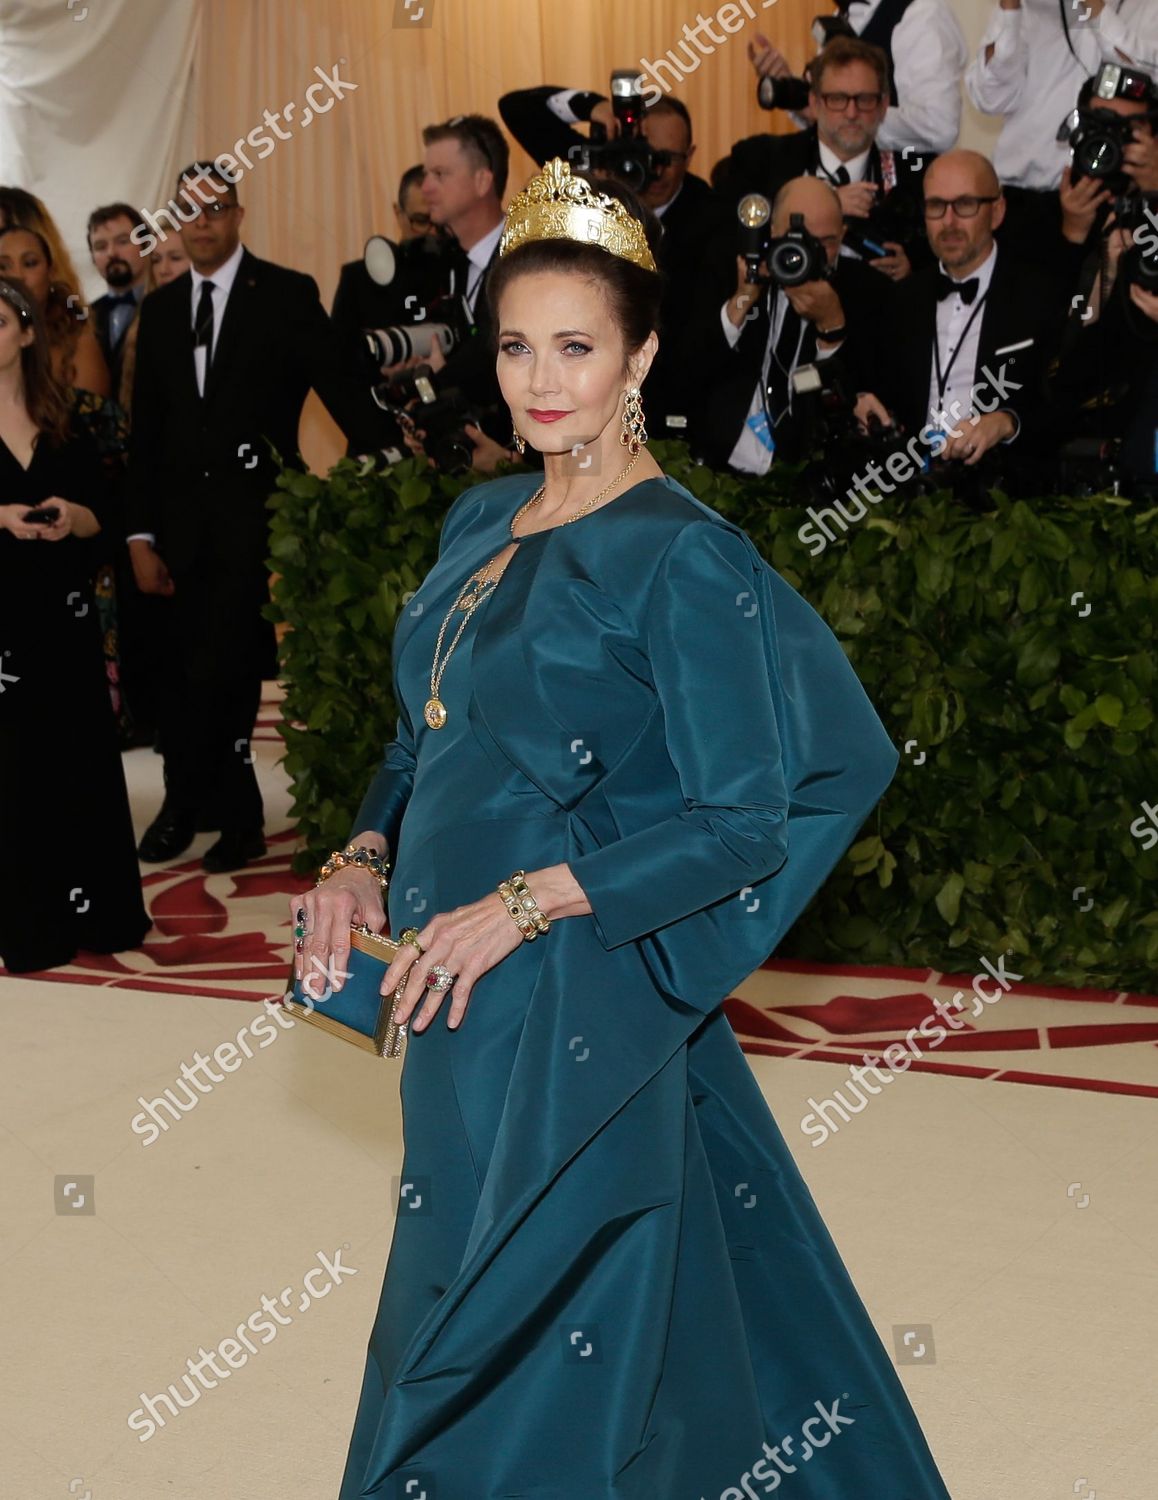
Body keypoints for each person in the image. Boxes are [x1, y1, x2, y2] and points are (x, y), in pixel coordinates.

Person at [290, 157, 951, 1499]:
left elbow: (739, 822)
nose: (541, 379)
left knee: (522, 1329)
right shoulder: (480, 517)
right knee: (565, 1292)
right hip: (447, 994)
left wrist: (530, 902)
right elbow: (425, 737)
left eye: (576, 348)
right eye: (517, 345)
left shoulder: (682, 554)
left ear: (641, 353)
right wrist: (360, 861)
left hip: (576, 990)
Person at [126, 161, 403, 874]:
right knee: (181, 675)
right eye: (189, 212)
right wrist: (139, 534)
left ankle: (227, 814)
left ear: (238, 214)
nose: (203, 223)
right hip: (175, 530)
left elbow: (339, 389)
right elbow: (147, 435)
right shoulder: (158, 312)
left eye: (216, 209)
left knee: (225, 670)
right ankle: (193, 804)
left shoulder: (284, 294)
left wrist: (397, 455)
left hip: (255, 523)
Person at [0, 277, 149, 972]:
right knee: (14, 769)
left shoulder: (67, 422)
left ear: (27, 333)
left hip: (64, 621)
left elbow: (104, 523)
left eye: (0, 323)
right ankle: (28, 923)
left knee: (77, 760)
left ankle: (96, 909)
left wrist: (71, 516)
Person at [498, 87, 728, 440]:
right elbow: (517, 108)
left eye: (667, 157)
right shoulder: (591, 177)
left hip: (676, 413)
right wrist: (594, 107)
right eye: (643, 154)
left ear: (691, 155)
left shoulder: (712, 218)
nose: (653, 169)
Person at [853, 149, 1067, 488]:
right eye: (936, 206)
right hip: (909, 498)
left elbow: (1065, 402)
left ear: (996, 212)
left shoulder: (1041, 297)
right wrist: (866, 403)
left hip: (1009, 501)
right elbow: (876, 388)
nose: (949, 222)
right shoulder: (900, 300)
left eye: (964, 205)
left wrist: (1008, 421)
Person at [692, 175, 895, 473]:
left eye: (825, 242)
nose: (808, 253)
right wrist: (742, 299)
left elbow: (866, 397)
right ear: (772, 232)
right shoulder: (733, 270)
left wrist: (832, 328)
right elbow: (691, 368)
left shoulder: (870, 292)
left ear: (842, 234)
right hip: (721, 466)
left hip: (812, 476)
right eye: (794, 239)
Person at [719, 37, 931, 285]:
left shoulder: (913, 176)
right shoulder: (760, 159)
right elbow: (725, 241)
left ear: (884, 105)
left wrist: (909, 273)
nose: (852, 113)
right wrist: (825, 204)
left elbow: (937, 267)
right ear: (814, 102)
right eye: (837, 99)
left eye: (864, 100)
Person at [965, 0, 1158, 255]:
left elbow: (1144, 77)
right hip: (1023, 201)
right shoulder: (1031, 8)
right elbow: (989, 98)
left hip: (1111, 205)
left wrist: (1093, 7)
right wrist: (1010, 10)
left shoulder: (1148, 8)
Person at [747, 0, 967, 155]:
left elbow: (939, 127)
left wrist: (847, 114)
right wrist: (794, 91)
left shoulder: (920, 13)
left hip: (903, 198)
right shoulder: (838, 18)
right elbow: (831, 130)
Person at [0, 226, 110, 397]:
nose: (17, 275)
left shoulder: (77, 341)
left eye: (29, 263)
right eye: (3, 266)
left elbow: (93, 418)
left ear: (50, 273)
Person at [88, 202, 154, 400]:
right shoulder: (85, 317)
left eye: (123, 241)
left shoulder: (170, 307)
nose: (112, 253)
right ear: (92, 257)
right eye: (100, 246)